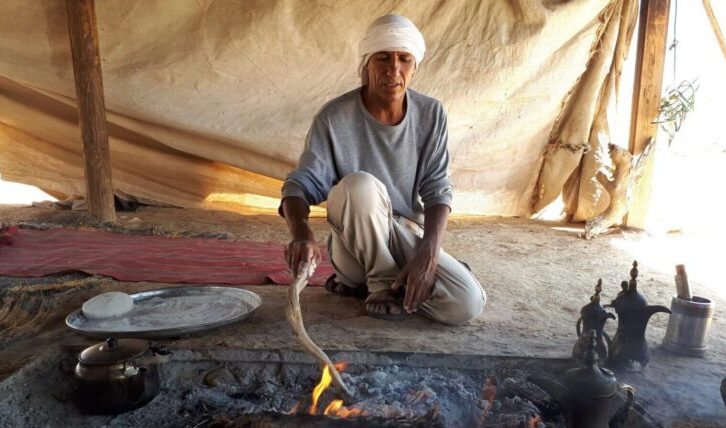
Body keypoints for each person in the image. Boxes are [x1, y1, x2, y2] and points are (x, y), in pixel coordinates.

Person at [279, 14, 486, 325]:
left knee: (465, 305)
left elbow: (437, 187)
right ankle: (380, 286)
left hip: (402, 232)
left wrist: (429, 254)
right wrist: (301, 232)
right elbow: (301, 184)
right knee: (359, 186)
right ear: (366, 65)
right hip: (353, 247)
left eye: (404, 59)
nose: (393, 69)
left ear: (415, 67)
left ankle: (381, 284)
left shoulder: (431, 114)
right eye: (382, 58)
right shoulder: (334, 117)